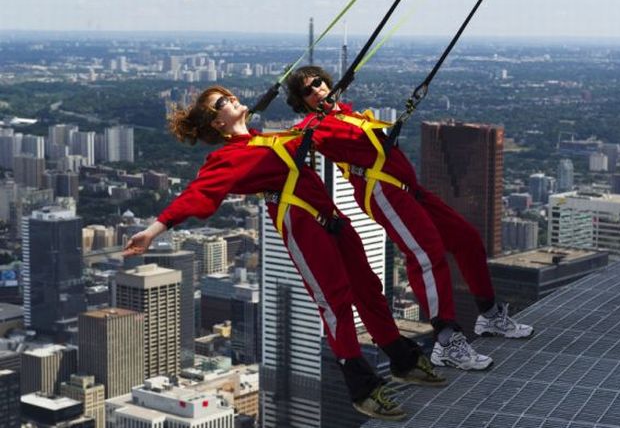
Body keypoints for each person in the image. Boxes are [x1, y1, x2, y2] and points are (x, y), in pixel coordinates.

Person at [122, 86, 446, 421]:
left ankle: (402, 361)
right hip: (304, 227)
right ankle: (362, 388)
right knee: (335, 302)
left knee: (368, 289)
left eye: (229, 95)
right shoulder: (227, 157)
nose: (232, 99)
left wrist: (332, 105)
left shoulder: (271, 140)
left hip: (334, 222)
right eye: (222, 102)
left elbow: (318, 131)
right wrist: (153, 230)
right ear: (216, 123)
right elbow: (197, 193)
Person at [285, 66, 533, 372]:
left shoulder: (350, 114)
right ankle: (447, 340)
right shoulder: (314, 126)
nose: (316, 91)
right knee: (425, 253)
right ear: (302, 102)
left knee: (465, 237)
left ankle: (490, 315)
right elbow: (295, 141)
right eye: (307, 91)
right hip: (382, 192)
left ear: (329, 83)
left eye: (318, 84)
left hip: (408, 189)